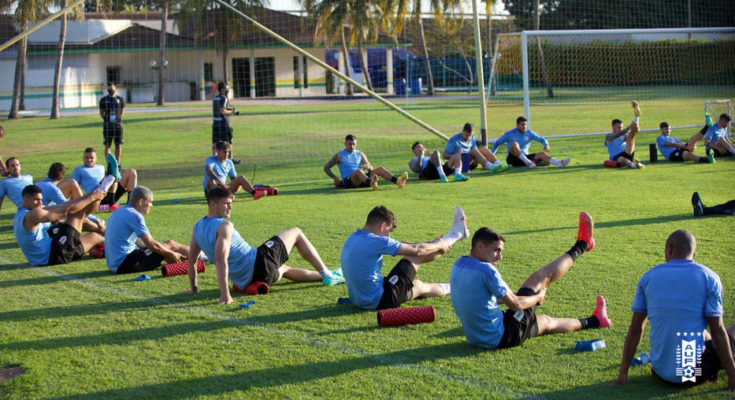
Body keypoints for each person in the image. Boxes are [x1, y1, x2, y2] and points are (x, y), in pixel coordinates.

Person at [450, 212, 610, 350]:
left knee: (546, 322)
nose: (500, 257)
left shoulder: (459, 265)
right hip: (504, 335)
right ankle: (582, 245)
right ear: (479, 246)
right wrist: (537, 298)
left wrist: (517, 296)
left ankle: (595, 321)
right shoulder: (487, 270)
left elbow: (480, 298)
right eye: (496, 250)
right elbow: (516, 305)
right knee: (540, 278)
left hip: (478, 338)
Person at [615, 230, 735, 390]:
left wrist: (623, 372)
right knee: (729, 333)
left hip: (659, 372)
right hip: (692, 374)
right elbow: (718, 331)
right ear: (693, 254)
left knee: (704, 334)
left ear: (669, 249)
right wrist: (732, 376)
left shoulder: (648, 277)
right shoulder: (709, 278)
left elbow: (636, 328)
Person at [183, 187, 343, 304]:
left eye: (231, 203)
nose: (230, 207)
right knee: (296, 232)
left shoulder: (197, 227)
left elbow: (192, 261)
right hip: (258, 263)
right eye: (226, 203)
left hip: (246, 281)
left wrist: (194, 288)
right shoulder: (224, 226)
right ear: (213, 204)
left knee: (284, 269)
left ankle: (328, 276)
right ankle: (326, 273)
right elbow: (221, 261)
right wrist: (225, 295)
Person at [340, 205, 468, 310]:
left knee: (418, 286)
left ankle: (453, 287)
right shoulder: (376, 241)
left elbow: (405, 244)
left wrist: (432, 243)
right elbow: (417, 251)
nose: (389, 236)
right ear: (382, 226)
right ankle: (455, 235)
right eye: (389, 230)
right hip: (381, 299)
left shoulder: (353, 237)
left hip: (360, 299)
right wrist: (441, 244)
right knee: (414, 257)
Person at [13, 179, 111, 266]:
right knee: (78, 214)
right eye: (36, 200)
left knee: (94, 237)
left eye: (41, 200)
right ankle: (103, 190)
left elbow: (64, 206)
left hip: (50, 248)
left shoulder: (22, 212)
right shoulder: (32, 215)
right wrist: (93, 196)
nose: (40, 203)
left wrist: (92, 195)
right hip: (53, 255)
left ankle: (106, 249)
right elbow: (67, 210)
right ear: (26, 198)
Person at [104, 186, 190, 274]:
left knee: (162, 248)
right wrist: (171, 254)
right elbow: (151, 245)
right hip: (125, 264)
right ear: (141, 202)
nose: (151, 205)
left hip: (115, 264)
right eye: (150, 202)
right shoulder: (135, 215)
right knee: (170, 244)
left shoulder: (120, 211)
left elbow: (139, 241)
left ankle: (191, 257)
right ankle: (202, 255)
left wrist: (161, 252)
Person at [37, 162, 105, 234]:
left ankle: (86, 209)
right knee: (78, 216)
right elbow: (69, 207)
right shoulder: (53, 189)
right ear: (61, 178)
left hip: (43, 214)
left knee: (72, 183)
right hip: (47, 222)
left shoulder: (41, 183)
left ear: (48, 173)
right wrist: (95, 219)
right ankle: (104, 231)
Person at [324, 134, 408, 190]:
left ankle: (398, 181)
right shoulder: (339, 155)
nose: (352, 146)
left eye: (354, 144)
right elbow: (326, 168)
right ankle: (372, 183)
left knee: (380, 169)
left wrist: (367, 165)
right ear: (345, 143)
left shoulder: (359, 153)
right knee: (358, 171)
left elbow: (369, 166)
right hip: (349, 181)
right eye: (349, 144)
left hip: (362, 179)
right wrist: (334, 177)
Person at [72, 147, 137, 210]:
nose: (89, 160)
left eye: (91, 158)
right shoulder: (79, 170)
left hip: (110, 191)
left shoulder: (101, 167)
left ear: (96, 158)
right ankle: (111, 202)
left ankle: (130, 205)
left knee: (132, 172)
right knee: (111, 177)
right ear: (83, 158)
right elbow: (74, 187)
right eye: (86, 158)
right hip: (96, 196)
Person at [492, 117, 571, 168]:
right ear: (517, 125)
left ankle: (559, 163)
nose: (524, 127)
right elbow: (497, 143)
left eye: (526, 125)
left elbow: (542, 139)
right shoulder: (509, 134)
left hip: (526, 157)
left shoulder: (529, 133)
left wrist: (546, 145)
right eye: (522, 124)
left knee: (543, 156)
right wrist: (492, 156)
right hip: (512, 159)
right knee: (515, 144)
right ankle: (529, 163)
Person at [443, 122, 508, 178]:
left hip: (470, 162)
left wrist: (482, 161)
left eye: (470, 136)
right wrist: (455, 156)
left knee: (483, 149)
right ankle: (490, 166)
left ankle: (499, 164)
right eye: (467, 135)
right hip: (459, 164)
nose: (468, 137)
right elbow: (444, 155)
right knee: (473, 150)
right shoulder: (454, 140)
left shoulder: (472, 138)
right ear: (463, 130)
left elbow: (477, 152)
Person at [604, 101, 645, 169]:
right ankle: (633, 165)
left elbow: (632, 136)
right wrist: (629, 127)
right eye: (619, 127)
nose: (620, 129)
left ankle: (636, 116)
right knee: (621, 159)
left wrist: (635, 128)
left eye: (621, 127)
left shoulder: (624, 136)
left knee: (631, 136)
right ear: (613, 127)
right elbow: (617, 135)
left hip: (627, 152)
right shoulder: (608, 136)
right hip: (616, 157)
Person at [212, 82, 240, 164]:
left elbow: (222, 108)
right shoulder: (224, 98)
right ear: (222, 89)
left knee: (215, 143)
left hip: (215, 123)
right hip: (224, 124)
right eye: (226, 88)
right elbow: (222, 110)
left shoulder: (215, 98)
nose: (228, 90)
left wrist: (231, 109)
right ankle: (230, 159)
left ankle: (214, 160)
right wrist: (232, 111)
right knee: (228, 142)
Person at [99, 82, 125, 164]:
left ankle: (118, 163)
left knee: (118, 145)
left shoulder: (120, 99)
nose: (111, 90)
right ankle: (109, 164)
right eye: (109, 89)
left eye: (112, 89)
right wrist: (107, 120)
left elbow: (122, 111)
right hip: (108, 126)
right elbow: (101, 113)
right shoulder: (103, 100)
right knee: (107, 145)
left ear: (116, 89)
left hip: (118, 125)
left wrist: (118, 119)